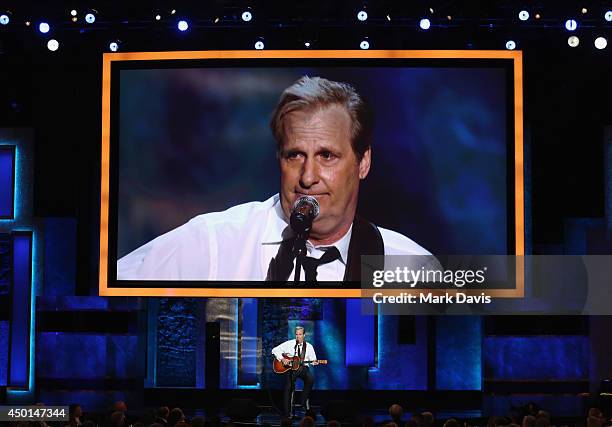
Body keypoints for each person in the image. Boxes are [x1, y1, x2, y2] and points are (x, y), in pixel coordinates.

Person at [118, 75, 434, 281]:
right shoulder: (212, 243)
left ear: (363, 162)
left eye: (326, 156)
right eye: (294, 155)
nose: (308, 177)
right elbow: (104, 299)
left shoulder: (411, 266)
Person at [272, 326, 319, 417]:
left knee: (310, 378)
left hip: (303, 369)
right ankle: (287, 413)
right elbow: (274, 350)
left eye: (300, 334)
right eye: (296, 334)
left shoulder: (309, 347)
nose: (298, 336)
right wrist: (282, 359)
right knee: (288, 386)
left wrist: (315, 362)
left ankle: (302, 401)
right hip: (291, 370)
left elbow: (313, 360)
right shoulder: (290, 344)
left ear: (304, 335)